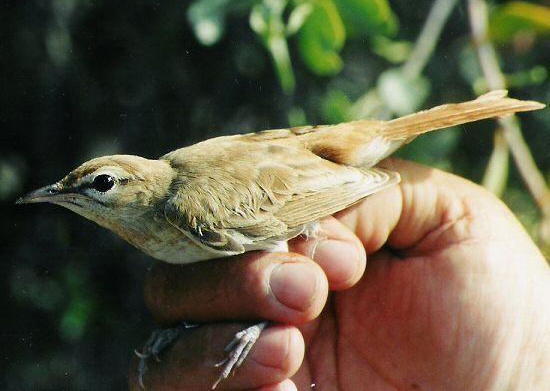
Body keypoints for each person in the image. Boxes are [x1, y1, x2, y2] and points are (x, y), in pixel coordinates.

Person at [128, 159, 550, 390]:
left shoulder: (184, 205)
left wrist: (528, 369)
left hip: (317, 196)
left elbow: (285, 219)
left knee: (278, 279)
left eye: (104, 184)